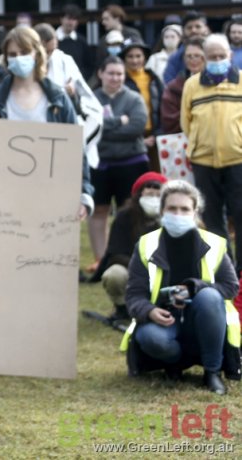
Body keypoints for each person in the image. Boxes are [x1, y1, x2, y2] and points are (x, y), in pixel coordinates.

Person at [123, 180, 240, 393]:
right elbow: (134, 294)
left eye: (185, 209)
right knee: (151, 338)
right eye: (172, 208)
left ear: (195, 212)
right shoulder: (146, 244)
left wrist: (195, 288)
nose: (178, 214)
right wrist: (149, 311)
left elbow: (230, 286)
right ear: (162, 211)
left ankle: (211, 372)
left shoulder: (215, 244)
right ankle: (173, 364)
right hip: (164, 321)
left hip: (204, 319)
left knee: (210, 297)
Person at [0, 26, 95, 219]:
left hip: (50, 191)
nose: (18, 58)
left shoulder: (57, 97)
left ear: (37, 54)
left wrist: (84, 193)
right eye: (12, 54)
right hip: (5, 194)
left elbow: (75, 149)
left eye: (24, 52)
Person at [181, 33, 242, 272]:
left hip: (238, 159)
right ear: (204, 58)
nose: (217, 59)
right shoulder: (192, 85)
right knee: (212, 218)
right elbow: (186, 122)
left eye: (221, 55)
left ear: (230, 55)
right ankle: (222, 267)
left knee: (241, 213)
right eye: (212, 56)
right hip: (203, 161)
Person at [87, 57, 149, 269]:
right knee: (99, 210)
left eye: (120, 74)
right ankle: (101, 259)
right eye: (111, 73)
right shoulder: (90, 98)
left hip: (131, 162)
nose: (116, 78)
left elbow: (136, 128)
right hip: (99, 163)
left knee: (131, 211)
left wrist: (104, 129)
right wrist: (118, 122)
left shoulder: (134, 99)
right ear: (100, 74)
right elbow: (88, 128)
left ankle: (132, 259)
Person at [90, 172, 167, 326]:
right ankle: (123, 308)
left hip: (166, 271)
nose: (153, 197)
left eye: (158, 194)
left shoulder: (172, 217)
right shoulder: (124, 216)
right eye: (149, 193)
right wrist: (142, 268)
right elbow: (115, 253)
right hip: (132, 269)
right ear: (139, 194)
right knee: (114, 274)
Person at [34, 22, 103, 168]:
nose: (49, 55)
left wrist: (72, 93)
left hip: (62, 128)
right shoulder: (25, 62)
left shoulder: (64, 60)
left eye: (53, 50)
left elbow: (86, 97)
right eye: (46, 51)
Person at [121, 40, 165, 171]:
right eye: (130, 56)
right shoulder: (119, 79)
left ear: (145, 57)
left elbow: (163, 107)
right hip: (130, 138)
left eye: (138, 56)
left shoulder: (153, 78)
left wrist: (157, 134)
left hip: (153, 135)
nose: (134, 60)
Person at [159, 37, 205, 134]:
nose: (192, 60)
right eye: (189, 56)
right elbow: (169, 120)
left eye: (197, 56)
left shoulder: (219, 84)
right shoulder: (174, 87)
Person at [162, 10, 211, 84]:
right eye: (189, 27)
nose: (193, 30)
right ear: (183, 31)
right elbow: (170, 85)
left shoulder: (217, 53)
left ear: (206, 29)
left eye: (198, 27)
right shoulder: (175, 58)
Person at [56, 4, 94, 82]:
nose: (71, 22)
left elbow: (89, 65)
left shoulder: (81, 41)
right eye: (69, 18)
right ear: (61, 19)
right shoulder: (53, 39)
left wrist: (78, 80)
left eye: (74, 19)